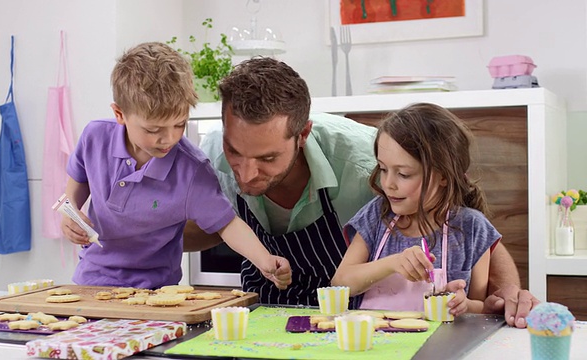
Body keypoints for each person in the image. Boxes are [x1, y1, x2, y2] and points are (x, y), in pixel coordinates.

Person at [184, 57, 538, 327]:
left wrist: (507, 290)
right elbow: (206, 227)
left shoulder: (370, 160)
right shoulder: (210, 154)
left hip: (348, 322)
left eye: (268, 158)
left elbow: (461, 216)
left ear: (303, 134)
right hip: (264, 313)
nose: (245, 173)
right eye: (235, 153)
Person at [60, 42, 291, 291]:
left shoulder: (192, 171)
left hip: (155, 291)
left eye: (179, 124)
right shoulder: (95, 136)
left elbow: (228, 224)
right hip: (90, 282)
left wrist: (264, 260)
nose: (168, 138)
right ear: (120, 115)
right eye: (153, 129)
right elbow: (77, 182)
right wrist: (69, 212)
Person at [332, 103, 498, 315]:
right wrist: (394, 263)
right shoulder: (376, 215)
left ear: (444, 176)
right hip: (377, 344)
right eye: (383, 169)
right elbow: (340, 283)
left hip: (441, 346)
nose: (388, 183)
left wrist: (463, 305)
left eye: (403, 174)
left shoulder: (472, 228)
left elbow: (481, 309)